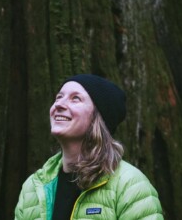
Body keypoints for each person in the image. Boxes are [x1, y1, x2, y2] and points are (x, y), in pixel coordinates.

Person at [14, 74, 163, 220]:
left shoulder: (130, 185)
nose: (59, 104)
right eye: (59, 97)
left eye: (75, 98)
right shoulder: (33, 187)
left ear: (99, 118)